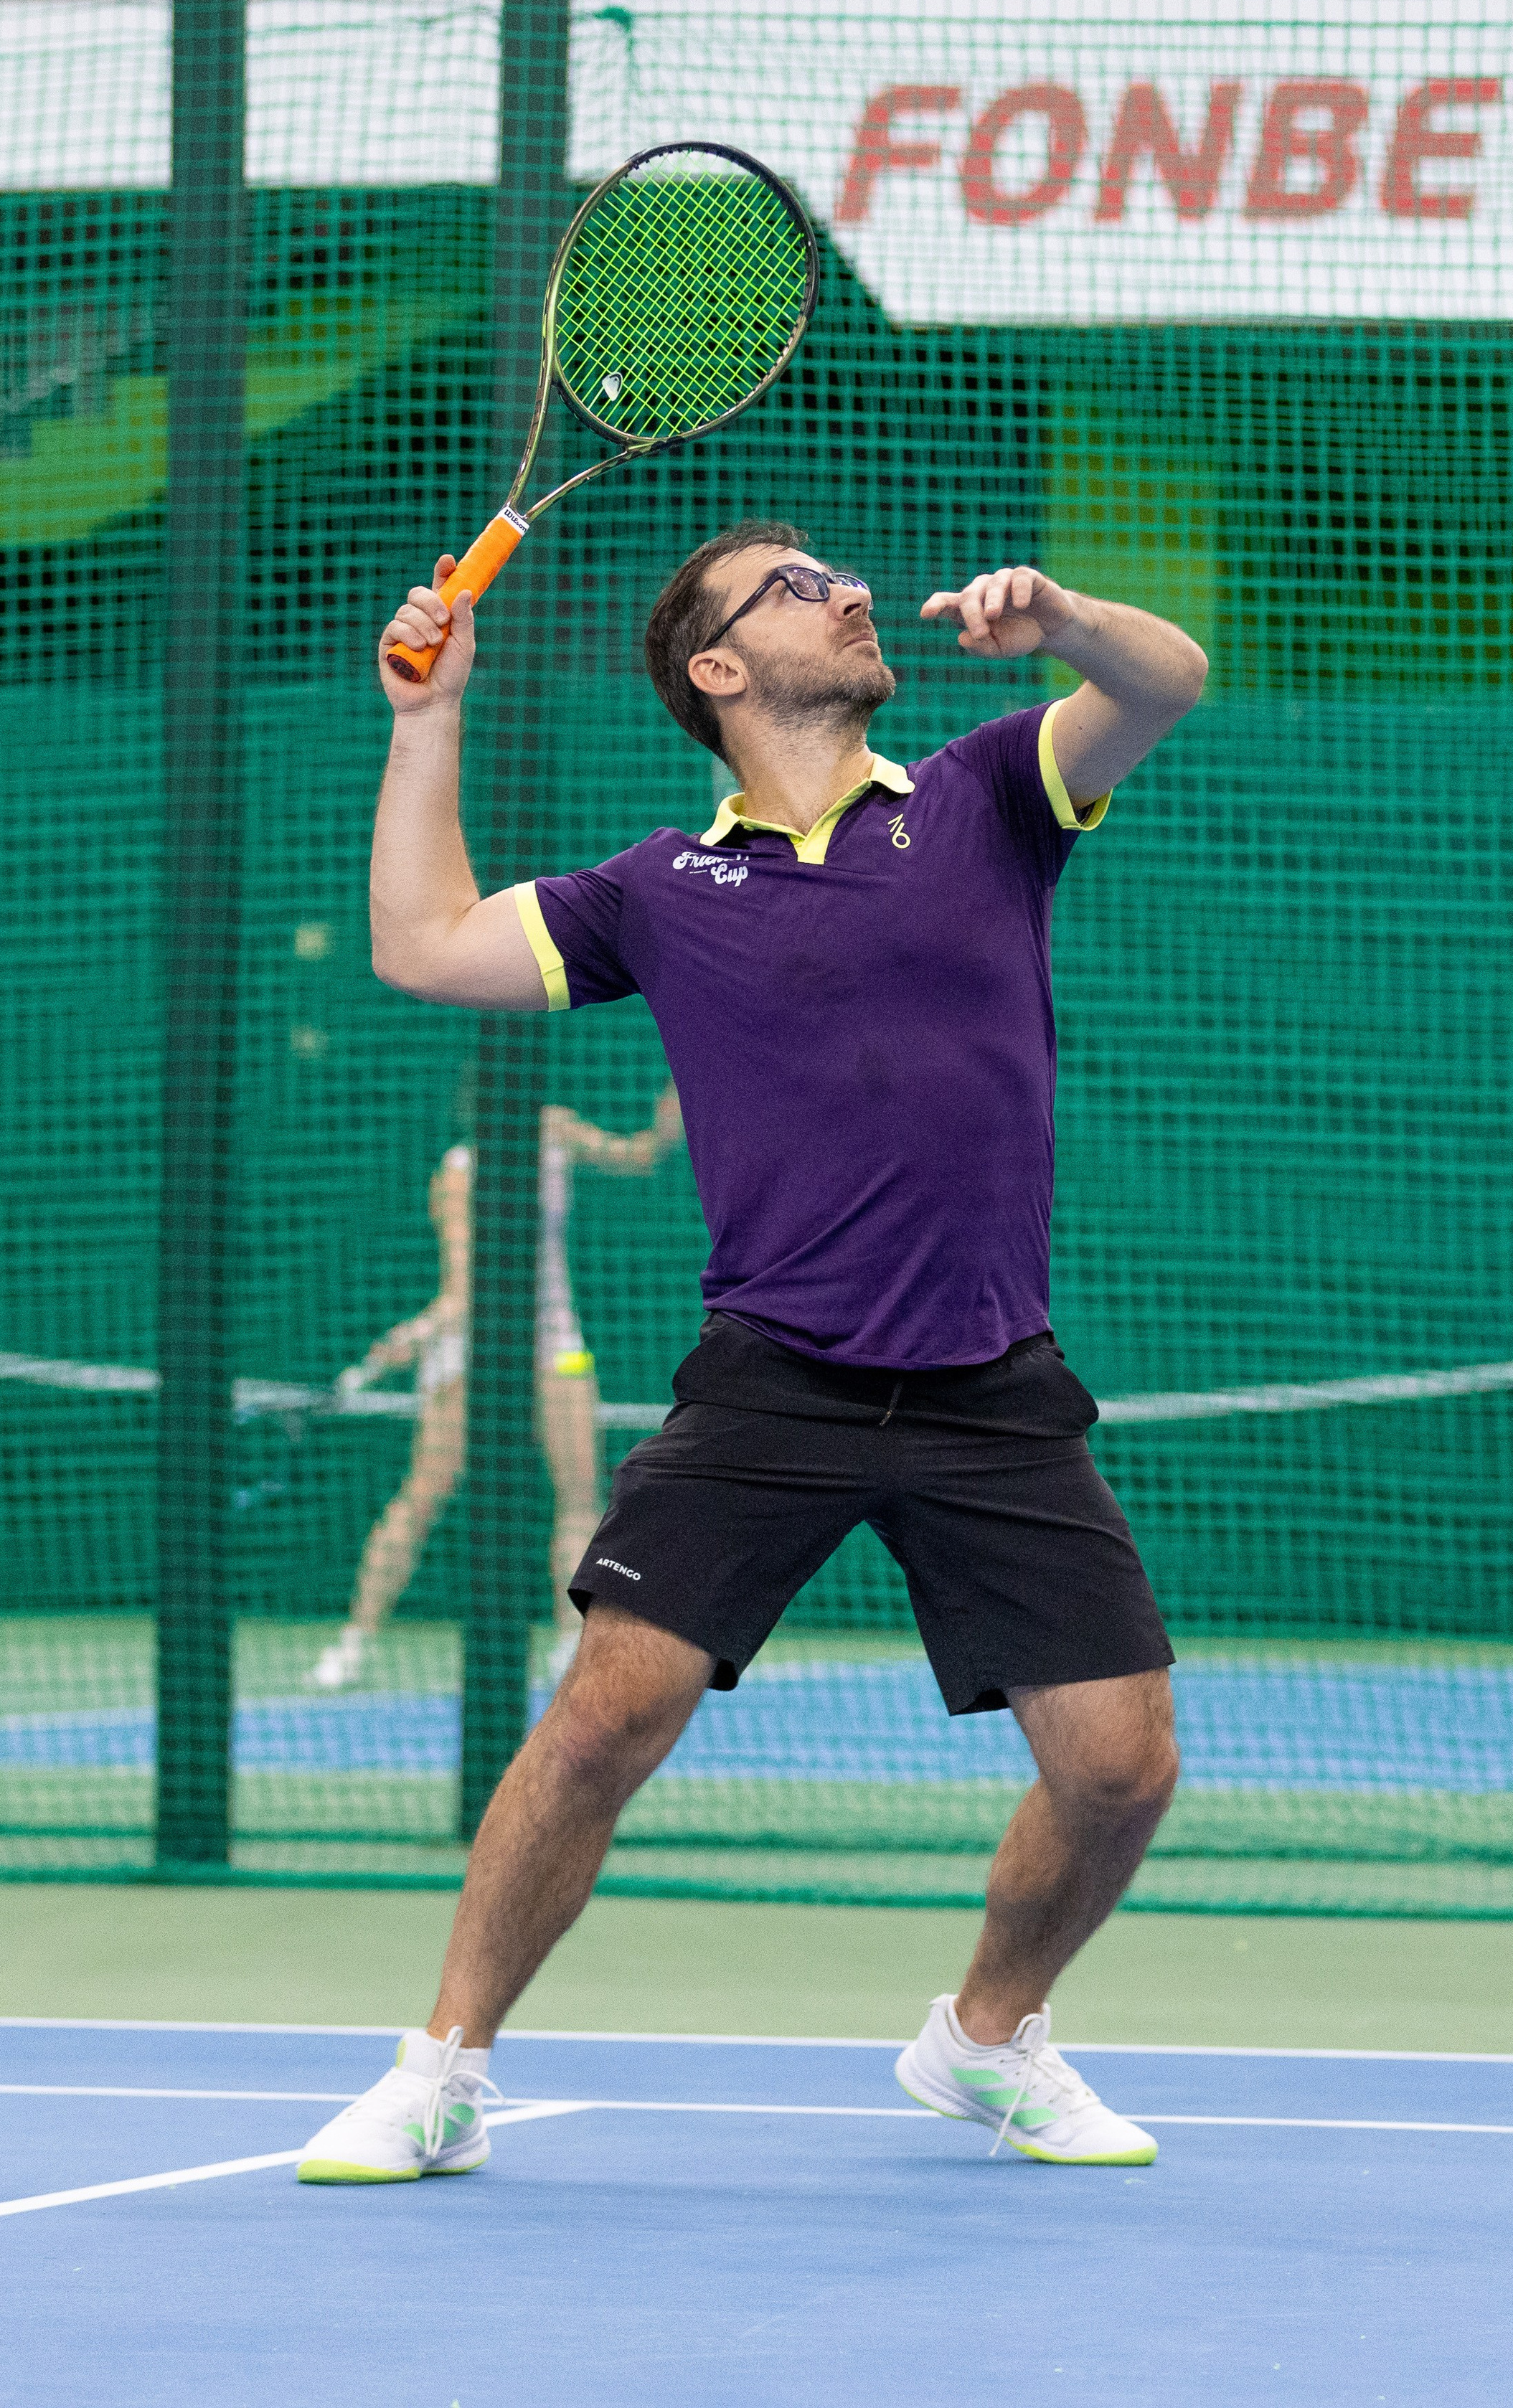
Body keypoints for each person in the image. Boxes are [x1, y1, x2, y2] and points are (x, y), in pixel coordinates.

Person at [298, 519, 1207, 2186]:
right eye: (792, 587)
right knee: (597, 1719)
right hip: (771, 1373)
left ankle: (984, 2040)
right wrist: (425, 723)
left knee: (1120, 1765)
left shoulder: (989, 795)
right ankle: (440, 2068)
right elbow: (419, 946)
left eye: (840, 576)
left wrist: (1066, 618)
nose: (849, 589)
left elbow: (1168, 677)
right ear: (715, 669)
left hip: (991, 1377)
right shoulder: (657, 889)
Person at [308, 1090, 684, 1691]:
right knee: (425, 1493)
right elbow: (464, 1290)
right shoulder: (458, 1175)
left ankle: (570, 1645)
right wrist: (421, 1332)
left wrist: (667, 1129)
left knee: (580, 1496)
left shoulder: (554, 1130)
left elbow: (634, 1157)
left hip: (558, 1341)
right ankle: (354, 1643)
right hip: (471, 1345)